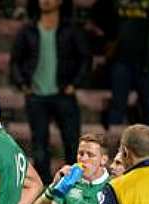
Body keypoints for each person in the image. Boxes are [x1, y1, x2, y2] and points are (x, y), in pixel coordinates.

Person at [10, 0, 90, 184]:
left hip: (64, 94)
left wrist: (74, 84)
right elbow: (15, 60)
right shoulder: (27, 30)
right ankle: (43, 187)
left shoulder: (71, 29)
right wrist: (23, 84)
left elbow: (85, 59)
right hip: (36, 96)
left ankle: (73, 184)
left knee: (72, 142)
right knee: (39, 145)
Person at [90, 1, 149, 129]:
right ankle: (114, 142)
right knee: (118, 106)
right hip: (120, 60)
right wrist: (107, 42)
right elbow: (98, 15)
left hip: (146, 62)